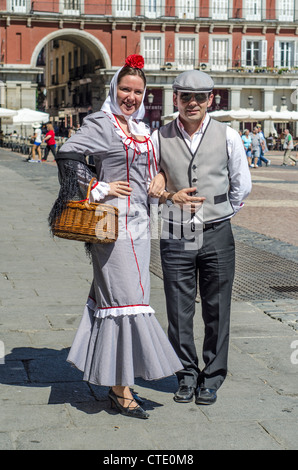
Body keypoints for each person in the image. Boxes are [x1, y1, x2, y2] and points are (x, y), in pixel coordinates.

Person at [49, 55, 182, 420]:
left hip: (141, 227)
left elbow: (153, 172)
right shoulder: (103, 124)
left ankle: (115, 379)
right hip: (111, 226)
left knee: (126, 298)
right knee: (125, 298)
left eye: (138, 91)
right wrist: (98, 185)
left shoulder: (141, 129)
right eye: (125, 89)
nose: (132, 96)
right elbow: (67, 153)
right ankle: (121, 389)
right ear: (114, 89)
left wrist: (162, 178)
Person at [150, 70, 251, 406]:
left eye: (199, 97)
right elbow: (149, 184)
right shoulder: (158, 137)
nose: (191, 103)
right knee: (178, 310)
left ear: (211, 99)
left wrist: (221, 214)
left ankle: (213, 376)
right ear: (175, 98)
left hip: (217, 232)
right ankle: (186, 374)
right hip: (176, 232)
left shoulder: (228, 135)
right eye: (184, 96)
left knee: (217, 307)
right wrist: (166, 194)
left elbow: (241, 184)